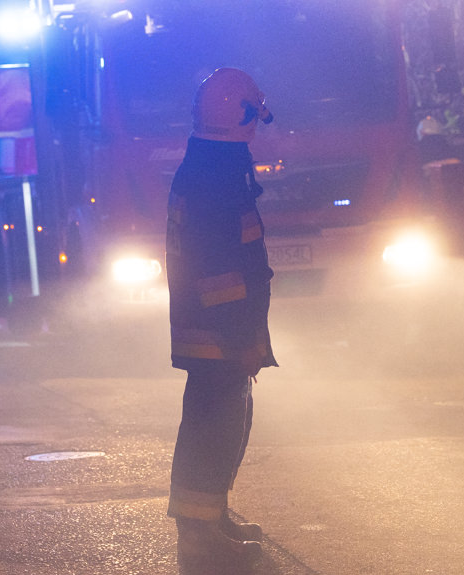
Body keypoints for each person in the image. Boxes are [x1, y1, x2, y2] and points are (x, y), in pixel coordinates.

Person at [165, 67, 278, 572]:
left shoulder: (216, 164)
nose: (258, 125)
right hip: (219, 329)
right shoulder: (215, 174)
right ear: (238, 115)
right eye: (253, 115)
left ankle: (212, 515)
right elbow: (217, 268)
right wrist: (238, 333)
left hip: (219, 327)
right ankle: (199, 536)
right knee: (213, 428)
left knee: (227, 421)